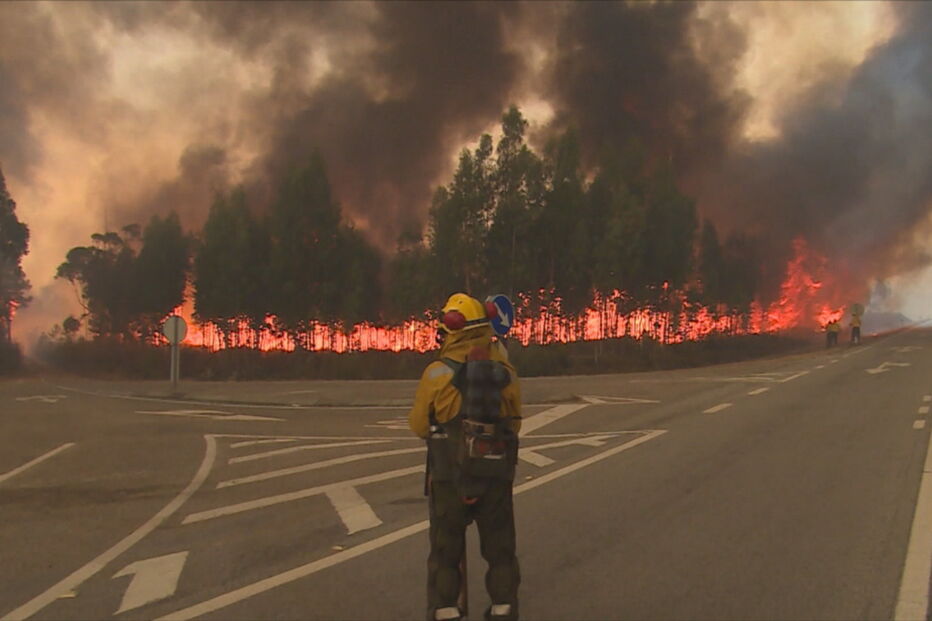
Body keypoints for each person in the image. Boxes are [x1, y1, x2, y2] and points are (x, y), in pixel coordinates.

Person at [409, 293, 523, 621]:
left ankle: (446, 609)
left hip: (449, 478)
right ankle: (503, 608)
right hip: (495, 475)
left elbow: (419, 425)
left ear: (451, 330)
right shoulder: (504, 369)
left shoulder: (436, 373)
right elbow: (515, 421)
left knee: (445, 550)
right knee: (500, 548)